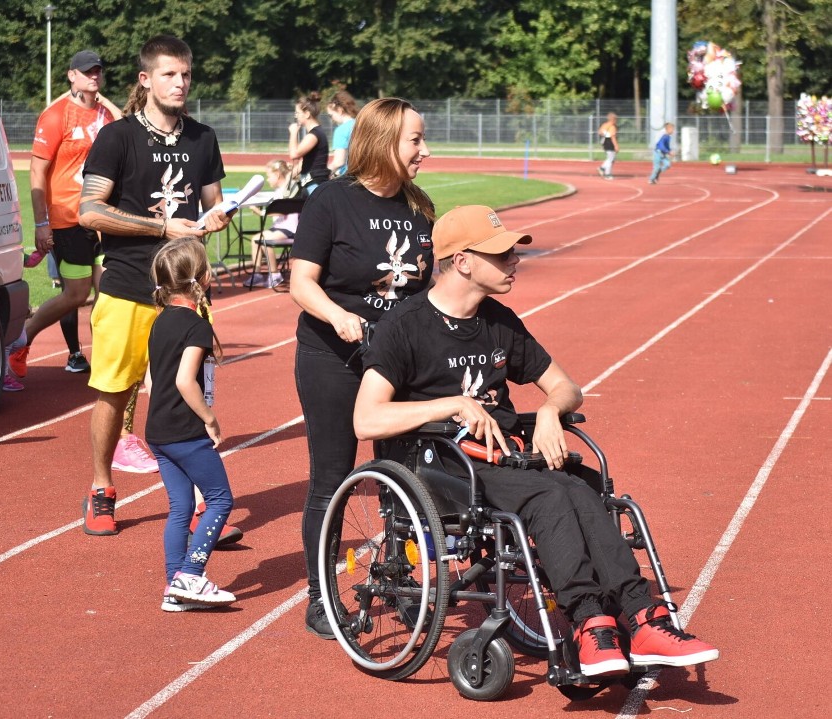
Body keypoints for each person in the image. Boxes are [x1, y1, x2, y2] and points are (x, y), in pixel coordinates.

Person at [353, 205, 720, 678]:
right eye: (502, 253)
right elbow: (367, 418)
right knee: (551, 494)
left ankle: (643, 618)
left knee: (580, 485)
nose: (514, 261)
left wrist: (550, 410)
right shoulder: (403, 327)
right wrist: (452, 405)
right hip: (445, 464)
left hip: (507, 455)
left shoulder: (499, 321)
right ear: (462, 261)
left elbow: (567, 387)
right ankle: (591, 623)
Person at [290, 97, 434, 638]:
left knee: (404, 479)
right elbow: (301, 281)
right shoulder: (330, 200)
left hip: (398, 367)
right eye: (415, 140)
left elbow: (428, 290)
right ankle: (320, 595)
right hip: (333, 357)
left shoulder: (421, 208)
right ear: (382, 143)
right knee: (332, 479)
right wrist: (339, 316)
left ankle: (398, 579)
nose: (425, 150)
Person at [78, 34, 232, 536]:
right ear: (145, 80)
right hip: (127, 284)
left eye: (186, 74)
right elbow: (89, 210)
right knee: (115, 391)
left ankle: (194, 505)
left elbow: (213, 202)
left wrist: (216, 217)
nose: (180, 83)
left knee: (188, 395)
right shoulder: (118, 136)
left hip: (186, 289)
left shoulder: (202, 138)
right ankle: (102, 488)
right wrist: (159, 228)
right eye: (169, 74)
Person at [9, 50, 122, 380]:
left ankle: (106, 362)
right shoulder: (56, 115)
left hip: (102, 216)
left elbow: (127, 126)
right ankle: (20, 340)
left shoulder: (105, 115)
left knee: (109, 291)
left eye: (98, 71)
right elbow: (36, 171)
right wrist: (42, 222)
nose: (94, 76)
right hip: (67, 218)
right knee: (76, 294)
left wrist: (105, 101)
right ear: (71, 75)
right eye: (87, 71)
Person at [145, 237, 236, 611]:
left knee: (180, 508)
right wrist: (210, 419)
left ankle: (174, 585)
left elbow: (151, 381)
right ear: (202, 277)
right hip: (185, 432)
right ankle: (192, 574)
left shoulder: (159, 321)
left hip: (158, 432)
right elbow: (185, 380)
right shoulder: (196, 326)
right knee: (220, 499)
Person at [243, 159, 300, 289]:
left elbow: (281, 210)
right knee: (255, 239)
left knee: (264, 239)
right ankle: (257, 274)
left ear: (278, 174)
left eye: (269, 176)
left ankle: (274, 275)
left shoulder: (288, 189)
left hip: (290, 228)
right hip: (280, 227)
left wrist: (260, 212)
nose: (267, 180)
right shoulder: (283, 189)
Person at [288, 92, 330, 196]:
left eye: (297, 113)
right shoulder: (317, 133)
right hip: (312, 183)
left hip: (314, 183)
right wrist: (293, 173)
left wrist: (293, 133)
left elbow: (294, 154)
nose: (296, 116)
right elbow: (309, 160)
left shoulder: (314, 135)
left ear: (307, 114)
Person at [326, 90, 358, 177]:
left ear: (340, 110)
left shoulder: (341, 130)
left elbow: (339, 161)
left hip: (350, 177)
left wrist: (324, 175)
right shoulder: (361, 124)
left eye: (331, 115)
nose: (331, 119)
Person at [597, 112, 619, 180]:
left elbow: (599, 132)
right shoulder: (612, 127)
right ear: (613, 119)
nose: (616, 121)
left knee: (611, 158)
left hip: (605, 142)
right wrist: (616, 146)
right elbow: (613, 137)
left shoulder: (604, 125)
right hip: (610, 142)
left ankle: (602, 168)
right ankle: (607, 174)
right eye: (616, 119)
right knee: (610, 159)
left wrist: (605, 133)